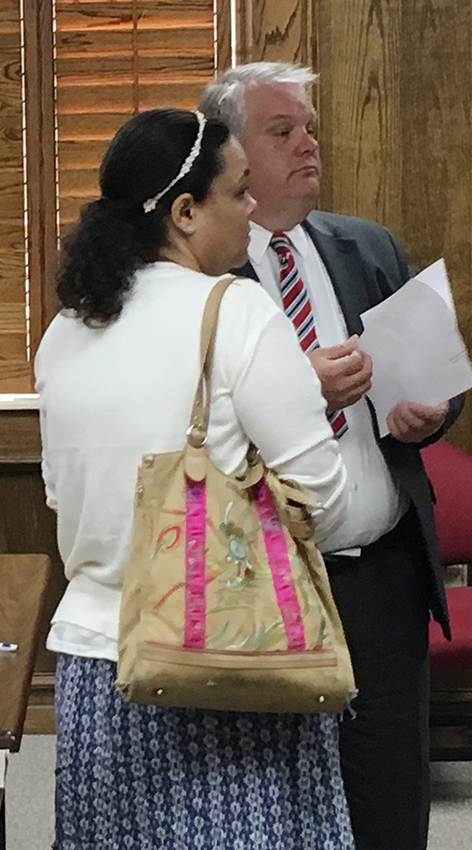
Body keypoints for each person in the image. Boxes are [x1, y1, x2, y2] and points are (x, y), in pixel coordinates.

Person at [35, 107, 355, 848]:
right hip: (225, 665)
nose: (251, 212)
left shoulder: (66, 329)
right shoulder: (237, 311)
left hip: (95, 666)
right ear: (185, 211)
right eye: (238, 193)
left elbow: (59, 494)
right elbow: (326, 505)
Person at [201, 63, 464, 850]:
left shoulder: (367, 246)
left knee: (388, 800)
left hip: (383, 577)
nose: (308, 145)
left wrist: (431, 412)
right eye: (283, 132)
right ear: (233, 154)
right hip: (267, 586)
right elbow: (186, 431)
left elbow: (442, 378)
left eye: (309, 127)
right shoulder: (202, 275)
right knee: (274, 810)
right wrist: (298, 391)